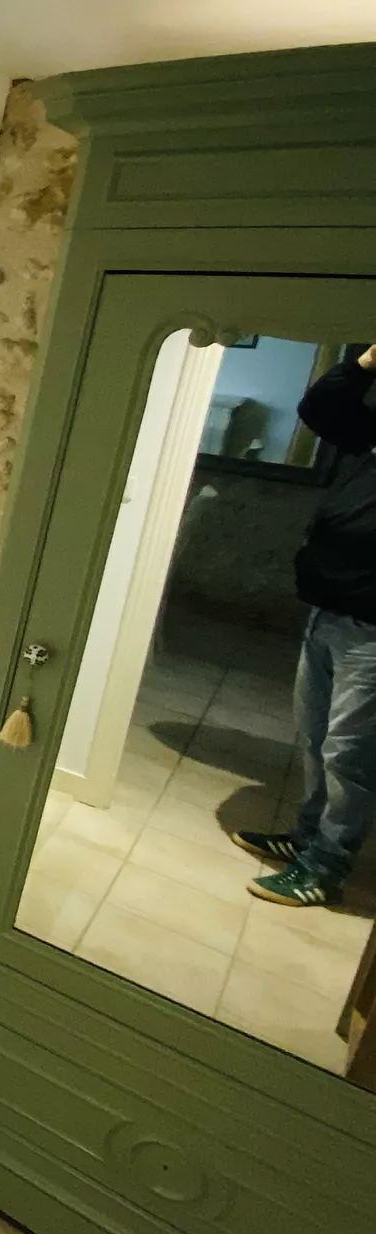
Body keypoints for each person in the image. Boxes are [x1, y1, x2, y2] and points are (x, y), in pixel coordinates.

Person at [231, 344, 376, 906]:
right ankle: (307, 838)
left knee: (349, 754)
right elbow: (321, 408)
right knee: (316, 736)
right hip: (330, 610)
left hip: (371, 629)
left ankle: (326, 866)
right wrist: (365, 364)